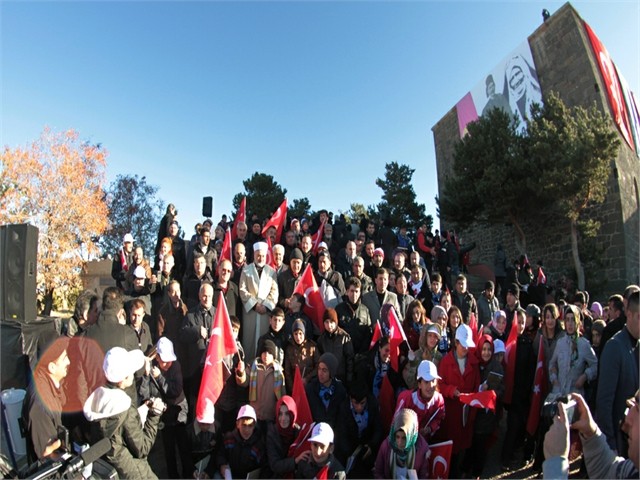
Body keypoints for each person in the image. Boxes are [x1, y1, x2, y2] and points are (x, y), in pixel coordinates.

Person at [83, 347, 166, 479]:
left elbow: (115, 429)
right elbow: (141, 448)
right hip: (134, 472)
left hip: (110, 469)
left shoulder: (97, 400)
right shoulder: (124, 407)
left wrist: (140, 411)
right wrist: (154, 415)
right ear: (124, 378)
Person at [542, 392, 639, 479]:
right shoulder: (634, 471)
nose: (627, 419)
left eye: (638, 409)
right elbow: (608, 472)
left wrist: (555, 465)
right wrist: (591, 434)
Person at [597, 290, 639, 453]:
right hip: (620, 446)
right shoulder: (614, 347)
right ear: (629, 314)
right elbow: (604, 402)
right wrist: (610, 446)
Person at [436, 324, 480, 477]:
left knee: (463, 447)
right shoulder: (445, 362)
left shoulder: (473, 363)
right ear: (456, 343)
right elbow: (439, 384)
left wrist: (472, 414)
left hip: (466, 414)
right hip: (451, 414)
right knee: (451, 450)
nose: (466, 348)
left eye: (468, 345)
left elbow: (476, 388)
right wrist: (451, 391)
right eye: (463, 344)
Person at [23, 336, 70, 462]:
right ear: (52, 368)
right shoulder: (40, 405)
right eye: (65, 358)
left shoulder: (52, 383)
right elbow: (47, 460)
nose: (69, 362)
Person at [467, 335, 504, 477]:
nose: (486, 352)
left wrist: (492, 393)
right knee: (472, 441)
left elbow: (502, 389)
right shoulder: (475, 364)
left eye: (489, 349)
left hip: (487, 414)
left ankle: (477, 472)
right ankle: (467, 467)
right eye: (483, 349)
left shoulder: (497, 367)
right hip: (473, 411)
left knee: (481, 444)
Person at [180, 283, 215, 421]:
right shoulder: (190, 314)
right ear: (199, 296)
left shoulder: (217, 314)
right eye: (204, 295)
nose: (207, 299)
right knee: (195, 404)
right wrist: (196, 331)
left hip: (212, 370)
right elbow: (182, 334)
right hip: (195, 369)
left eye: (209, 296)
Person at [239, 241, 279, 361]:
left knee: (263, 343)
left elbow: (274, 291)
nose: (260, 258)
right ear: (254, 254)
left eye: (262, 256)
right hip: (250, 312)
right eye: (258, 255)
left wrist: (265, 306)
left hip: (265, 314)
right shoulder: (246, 270)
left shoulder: (271, 272)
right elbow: (242, 289)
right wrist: (254, 305)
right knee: (248, 341)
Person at [334, 382, 383, 479]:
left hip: (367, 446)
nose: (359, 407)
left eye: (362, 403)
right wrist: (352, 453)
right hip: (349, 449)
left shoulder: (373, 405)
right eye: (355, 403)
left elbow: (378, 429)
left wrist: (371, 445)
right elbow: (341, 434)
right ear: (351, 399)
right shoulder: (344, 408)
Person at [548, 305, 598, 398]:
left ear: (578, 322)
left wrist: (585, 376)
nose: (570, 324)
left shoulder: (584, 344)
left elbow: (595, 366)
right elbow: (552, 364)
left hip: (575, 395)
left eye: (573, 319)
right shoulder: (560, 343)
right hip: (559, 393)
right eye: (567, 320)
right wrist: (554, 379)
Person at [396, 360, 445, 442]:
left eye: (433, 381)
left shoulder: (439, 400)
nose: (431, 386)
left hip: (425, 444)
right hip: (404, 443)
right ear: (419, 384)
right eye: (426, 382)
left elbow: (439, 419)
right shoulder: (406, 399)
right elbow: (396, 424)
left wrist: (430, 429)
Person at [374, 408, 430, 479]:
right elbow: (378, 472)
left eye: (404, 438)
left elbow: (424, 476)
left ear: (411, 435)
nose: (400, 442)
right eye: (397, 437)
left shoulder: (422, 449)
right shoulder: (386, 446)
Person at [214, 405, 266, 479]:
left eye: (250, 426)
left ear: (254, 426)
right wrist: (222, 465)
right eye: (244, 425)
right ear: (237, 424)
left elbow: (262, 467)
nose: (247, 430)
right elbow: (220, 454)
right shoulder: (228, 438)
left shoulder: (258, 445)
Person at [266, 396, 308, 477]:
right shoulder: (272, 433)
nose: (283, 418)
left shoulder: (299, 432)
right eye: (280, 414)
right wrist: (295, 461)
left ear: (293, 414)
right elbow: (275, 465)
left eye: (287, 414)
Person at [306, 353, 348, 428]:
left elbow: (342, 418)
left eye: (324, 370)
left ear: (331, 372)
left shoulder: (340, 391)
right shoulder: (310, 389)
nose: (320, 373)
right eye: (319, 369)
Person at [335, 276, 373, 355]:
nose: (354, 294)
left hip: (361, 354)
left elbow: (368, 333)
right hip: (343, 354)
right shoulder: (339, 309)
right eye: (352, 291)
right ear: (347, 291)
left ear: (360, 293)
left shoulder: (365, 310)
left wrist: (362, 352)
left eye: (357, 291)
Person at [317, 308, 355, 383]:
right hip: (327, 378)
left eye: (331, 322)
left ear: (336, 322)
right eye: (326, 322)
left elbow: (350, 359)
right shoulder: (321, 340)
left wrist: (349, 378)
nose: (329, 325)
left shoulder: (344, 337)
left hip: (342, 377)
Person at [284, 319, 319, 393]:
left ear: (304, 333)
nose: (298, 337)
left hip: (311, 386)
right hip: (295, 387)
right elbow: (288, 372)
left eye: (300, 333)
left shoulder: (312, 347)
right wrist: (293, 388)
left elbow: (318, 366)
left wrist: (307, 379)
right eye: (295, 334)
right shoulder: (289, 349)